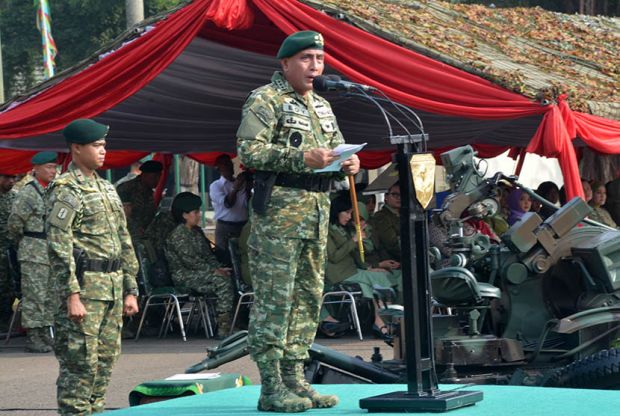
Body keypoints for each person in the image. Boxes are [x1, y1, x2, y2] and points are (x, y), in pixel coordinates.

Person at [236, 30, 360, 412]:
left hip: (317, 212)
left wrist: (348, 162)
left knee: (307, 299)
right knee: (276, 299)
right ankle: (271, 387)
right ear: (285, 63)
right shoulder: (265, 99)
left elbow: (335, 146)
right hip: (279, 216)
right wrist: (301, 159)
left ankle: (295, 379)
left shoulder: (322, 104)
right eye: (306, 58)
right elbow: (248, 150)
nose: (315, 66)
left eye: (319, 59)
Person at [46, 118, 139, 415]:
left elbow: (124, 240)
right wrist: (71, 295)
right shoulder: (66, 188)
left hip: (111, 290)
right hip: (85, 292)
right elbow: (58, 244)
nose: (103, 151)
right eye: (96, 145)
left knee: (104, 364)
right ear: (76, 148)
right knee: (80, 367)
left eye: (104, 145)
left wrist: (130, 289)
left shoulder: (106, 187)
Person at [325, 194, 399, 338]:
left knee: (380, 278)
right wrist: (353, 240)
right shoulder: (328, 230)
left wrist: (369, 267)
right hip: (340, 273)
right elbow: (334, 257)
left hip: (352, 270)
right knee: (383, 278)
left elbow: (355, 255)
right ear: (336, 211)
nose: (349, 216)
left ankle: (381, 321)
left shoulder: (343, 228)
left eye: (351, 213)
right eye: (346, 212)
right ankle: (381, 321)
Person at [164, 192, 235, 337]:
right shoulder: (178, 235)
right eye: (195, 212)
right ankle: (224, 327)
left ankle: (229, 322)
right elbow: (190, 261)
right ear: (184, 215)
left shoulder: (196, 232)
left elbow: (208, 255)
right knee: (222, 282)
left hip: (199, 273)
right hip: (184, 275)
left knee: (228, 278)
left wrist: (218, 268)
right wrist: (214, 272)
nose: (198, 215)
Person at [7, 151, 58, 353]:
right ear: (36, 169)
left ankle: (46, 332)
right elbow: (14, 224)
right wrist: (26, 242)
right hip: (33, 250)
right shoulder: (28, 193)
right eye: (48, 167)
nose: (53, 171)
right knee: (34, 295)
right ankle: (34, 336)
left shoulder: (53, 191)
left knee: (49, 295)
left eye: (54, 167)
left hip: (51, 249)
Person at [209, 154, 249, 264]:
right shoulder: (215, 186)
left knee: (243, 259)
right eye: (225, 164)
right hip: (225, 228)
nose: (229, 166)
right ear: (218, 168)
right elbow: (228, 204)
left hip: (242, 227)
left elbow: (248, 203)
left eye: (230, 163)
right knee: (225, 259)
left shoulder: (241, 183)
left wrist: (247, 183)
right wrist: (235, 188)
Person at [116, 160, 163, 240]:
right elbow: (121, 216)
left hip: (144, 236)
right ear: (144, 175)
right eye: (154, 177)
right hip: (128, 236)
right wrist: (137, 230)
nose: (157, 180)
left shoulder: (150, 192)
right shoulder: (126, 188)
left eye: (159, 177)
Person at [0, 172, 17, 326]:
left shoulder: (16, 197)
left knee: (10, 287)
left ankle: (5, 320)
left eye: (14, 178)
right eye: (7, 177)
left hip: (10, 252)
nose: (11, 181)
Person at [369, 181, 401, 262]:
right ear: (386, 197)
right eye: (394, 194)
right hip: (392, 260)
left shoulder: (403, 214)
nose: (399, 198)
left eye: (401, 195)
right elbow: (392, 244)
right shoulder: (381, 216)